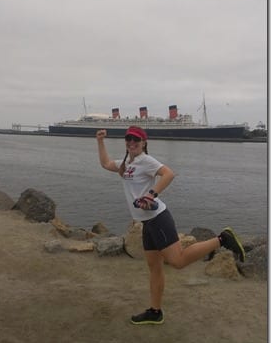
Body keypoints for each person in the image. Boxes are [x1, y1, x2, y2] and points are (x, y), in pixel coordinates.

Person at [96, 126, 245, 325]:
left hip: (158, 218)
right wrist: (100, 141)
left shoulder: (146, 160)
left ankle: (223, 239)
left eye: (136, 140)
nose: (132, 142)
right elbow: (106, 163)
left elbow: (169, 174)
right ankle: (155, 312)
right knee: (155, 268)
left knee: (178, 261)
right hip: (147, 223)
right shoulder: (127, 162)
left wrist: (151, 194)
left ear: (144, 143)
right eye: (129, 139)